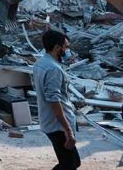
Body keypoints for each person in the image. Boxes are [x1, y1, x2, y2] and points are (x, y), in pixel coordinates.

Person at [33, 30, 81, 169]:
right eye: (66, 47)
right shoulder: (53, 69)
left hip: (50, 122)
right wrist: (68, 130)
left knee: (71, 163)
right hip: (58, 125)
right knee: (69, 165)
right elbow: (54, 100)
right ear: (56, 48)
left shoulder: (40, 63)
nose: (67, 51)